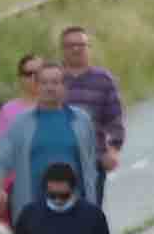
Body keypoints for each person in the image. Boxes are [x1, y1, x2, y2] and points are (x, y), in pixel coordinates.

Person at [0, 59, 106, 220]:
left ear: (64, 86)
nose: (50, 87)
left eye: (55, 82)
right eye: (44, 83)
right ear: (37, 86)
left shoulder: (81, 120)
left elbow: (91, 165)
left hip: (77, 212)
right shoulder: (21, 124)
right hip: (35, 214)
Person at [54, 22, 126, 173]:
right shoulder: (51, 79)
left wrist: (112, 151)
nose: (76, 49)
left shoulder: (103, 79)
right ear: (62, 49)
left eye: (81, 44)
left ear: (88, 48)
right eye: (70, 45)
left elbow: (115, 120)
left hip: (93, 160)